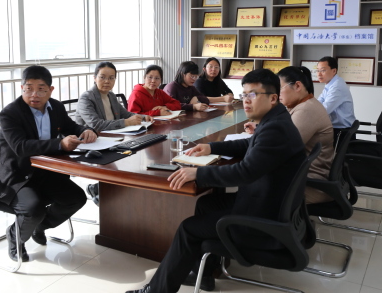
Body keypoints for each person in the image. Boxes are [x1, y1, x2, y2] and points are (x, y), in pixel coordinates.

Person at [126, 69, 306, 293]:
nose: (246, 100)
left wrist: (198, 174)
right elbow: (249, 145)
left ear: (272, 98)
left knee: (187, 228)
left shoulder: (276, 128)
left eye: (252, 95)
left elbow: (245, 172)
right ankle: (204, 273)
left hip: (264, 219)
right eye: (244, 94)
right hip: (267, 203)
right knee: (206, 204)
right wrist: (212, 147)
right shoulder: (276, 119)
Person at [0, 65, 97, 262]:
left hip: (46, 171)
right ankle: (15, 236)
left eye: (41, 89)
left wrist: (85, 130)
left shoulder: (55, 107)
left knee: (76, 198)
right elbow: (21, 147)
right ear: (21, 88)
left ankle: (39, 226)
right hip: (18, 174)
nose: (34, 94)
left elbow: (70, 126)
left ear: (50, 90)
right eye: (28, 88)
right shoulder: (10, 113)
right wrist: (59, 144)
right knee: (34, 209)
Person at [244, 66, 334, 204]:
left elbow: (279, 148)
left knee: (251, 182)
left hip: (310, 184)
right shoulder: (302, 105)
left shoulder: (306, 110)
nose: (276, 93)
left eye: (280, 88)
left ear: (297, 86)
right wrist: (258, 130)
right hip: (302, 177)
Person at [75, 61, 152, 205]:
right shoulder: (86, 98)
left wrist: (142, 117)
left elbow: (125, 114)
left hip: (111, 139)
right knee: (127, 160)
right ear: (94, 77)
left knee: (135, 153)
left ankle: (99, 189)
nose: (107, 81)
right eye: (102, 77)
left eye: (111, 78)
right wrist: (126, 123)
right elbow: (96, 125)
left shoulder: (111, 95)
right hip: (91, 143)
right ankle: (107, 200)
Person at [316, 56, 356, 141]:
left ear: (334, 71)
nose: (319, 74)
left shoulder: (337, 87)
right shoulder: (330, 84)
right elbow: (318, 103)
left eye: (323, 70)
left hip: (342, 133)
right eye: (317, 70)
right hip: (337, 129)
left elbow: (323, 110)